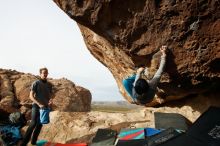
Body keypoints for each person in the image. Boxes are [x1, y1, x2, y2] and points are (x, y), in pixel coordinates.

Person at [21, 67, 53, 146]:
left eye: (46, 73)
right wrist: (39, 104)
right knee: (33, 124)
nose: (45, 74)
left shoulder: (49, 85)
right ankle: (23, 144)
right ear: (40, 74)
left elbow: (49, 96)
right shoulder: (36, 83)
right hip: (36, 106)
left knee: (39, 125)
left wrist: (50, 102)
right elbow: (31, 96)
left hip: (44, 108)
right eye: (43, 73)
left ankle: (33, 143)